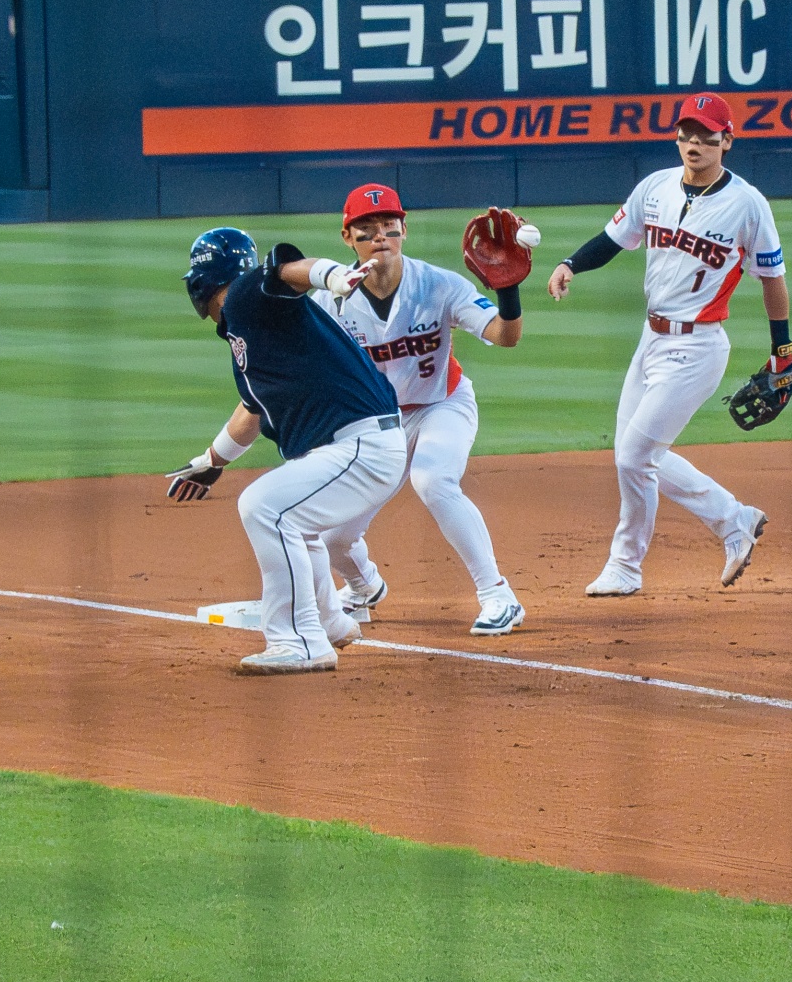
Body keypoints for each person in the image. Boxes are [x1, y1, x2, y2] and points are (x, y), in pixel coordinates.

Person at [545, 92, 789, 596]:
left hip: (698, 349)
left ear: (727, 140)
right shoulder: (655, 187)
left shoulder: (747, 204)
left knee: (635, 456)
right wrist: (571, 263)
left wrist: (781, 351)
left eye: (706, 135)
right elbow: (613, 239)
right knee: (633, 455)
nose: (694, 143)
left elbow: (772, 278)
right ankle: (728, 522)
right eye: (686, 134)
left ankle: (633, 562)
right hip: (650, 340)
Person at [167, 228, 407, 675]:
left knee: (265, 507)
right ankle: (331, 624)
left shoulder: (244, 295)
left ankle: (297, 642)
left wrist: (333, 276)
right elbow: (252, 410)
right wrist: (212, 461)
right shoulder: (255, 327)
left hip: (361, 445)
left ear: (201, 281)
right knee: (299, 525)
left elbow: (286, 270)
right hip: (358, 445)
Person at [309, 187, 528, 636]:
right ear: (347, 237)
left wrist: (509, 290)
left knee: (433, 480)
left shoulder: (439, 284)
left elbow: (505, 336)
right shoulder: (327, 303)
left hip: (442, 405)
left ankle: (498, 595)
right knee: (333, 534)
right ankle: (364, 587)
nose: (380, 236)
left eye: (389, 226)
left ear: (404, 230)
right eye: (367, 228)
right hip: (377, 425)